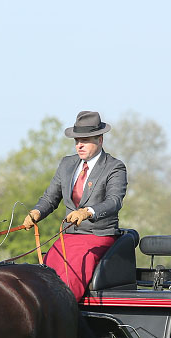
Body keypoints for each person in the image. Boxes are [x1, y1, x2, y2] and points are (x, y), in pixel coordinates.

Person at [21, 110, 127, 301]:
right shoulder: (67, 164)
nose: (79, 145)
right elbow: (50, 198)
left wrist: (88, 212)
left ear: (100, 139)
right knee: (46, 271)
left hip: (97, 236)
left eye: (85, 140)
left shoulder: (114, 167)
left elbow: (114, 202)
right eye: (77, 140)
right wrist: (36, 212)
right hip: (68, 237)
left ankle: (65, 311)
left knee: (71, 275)